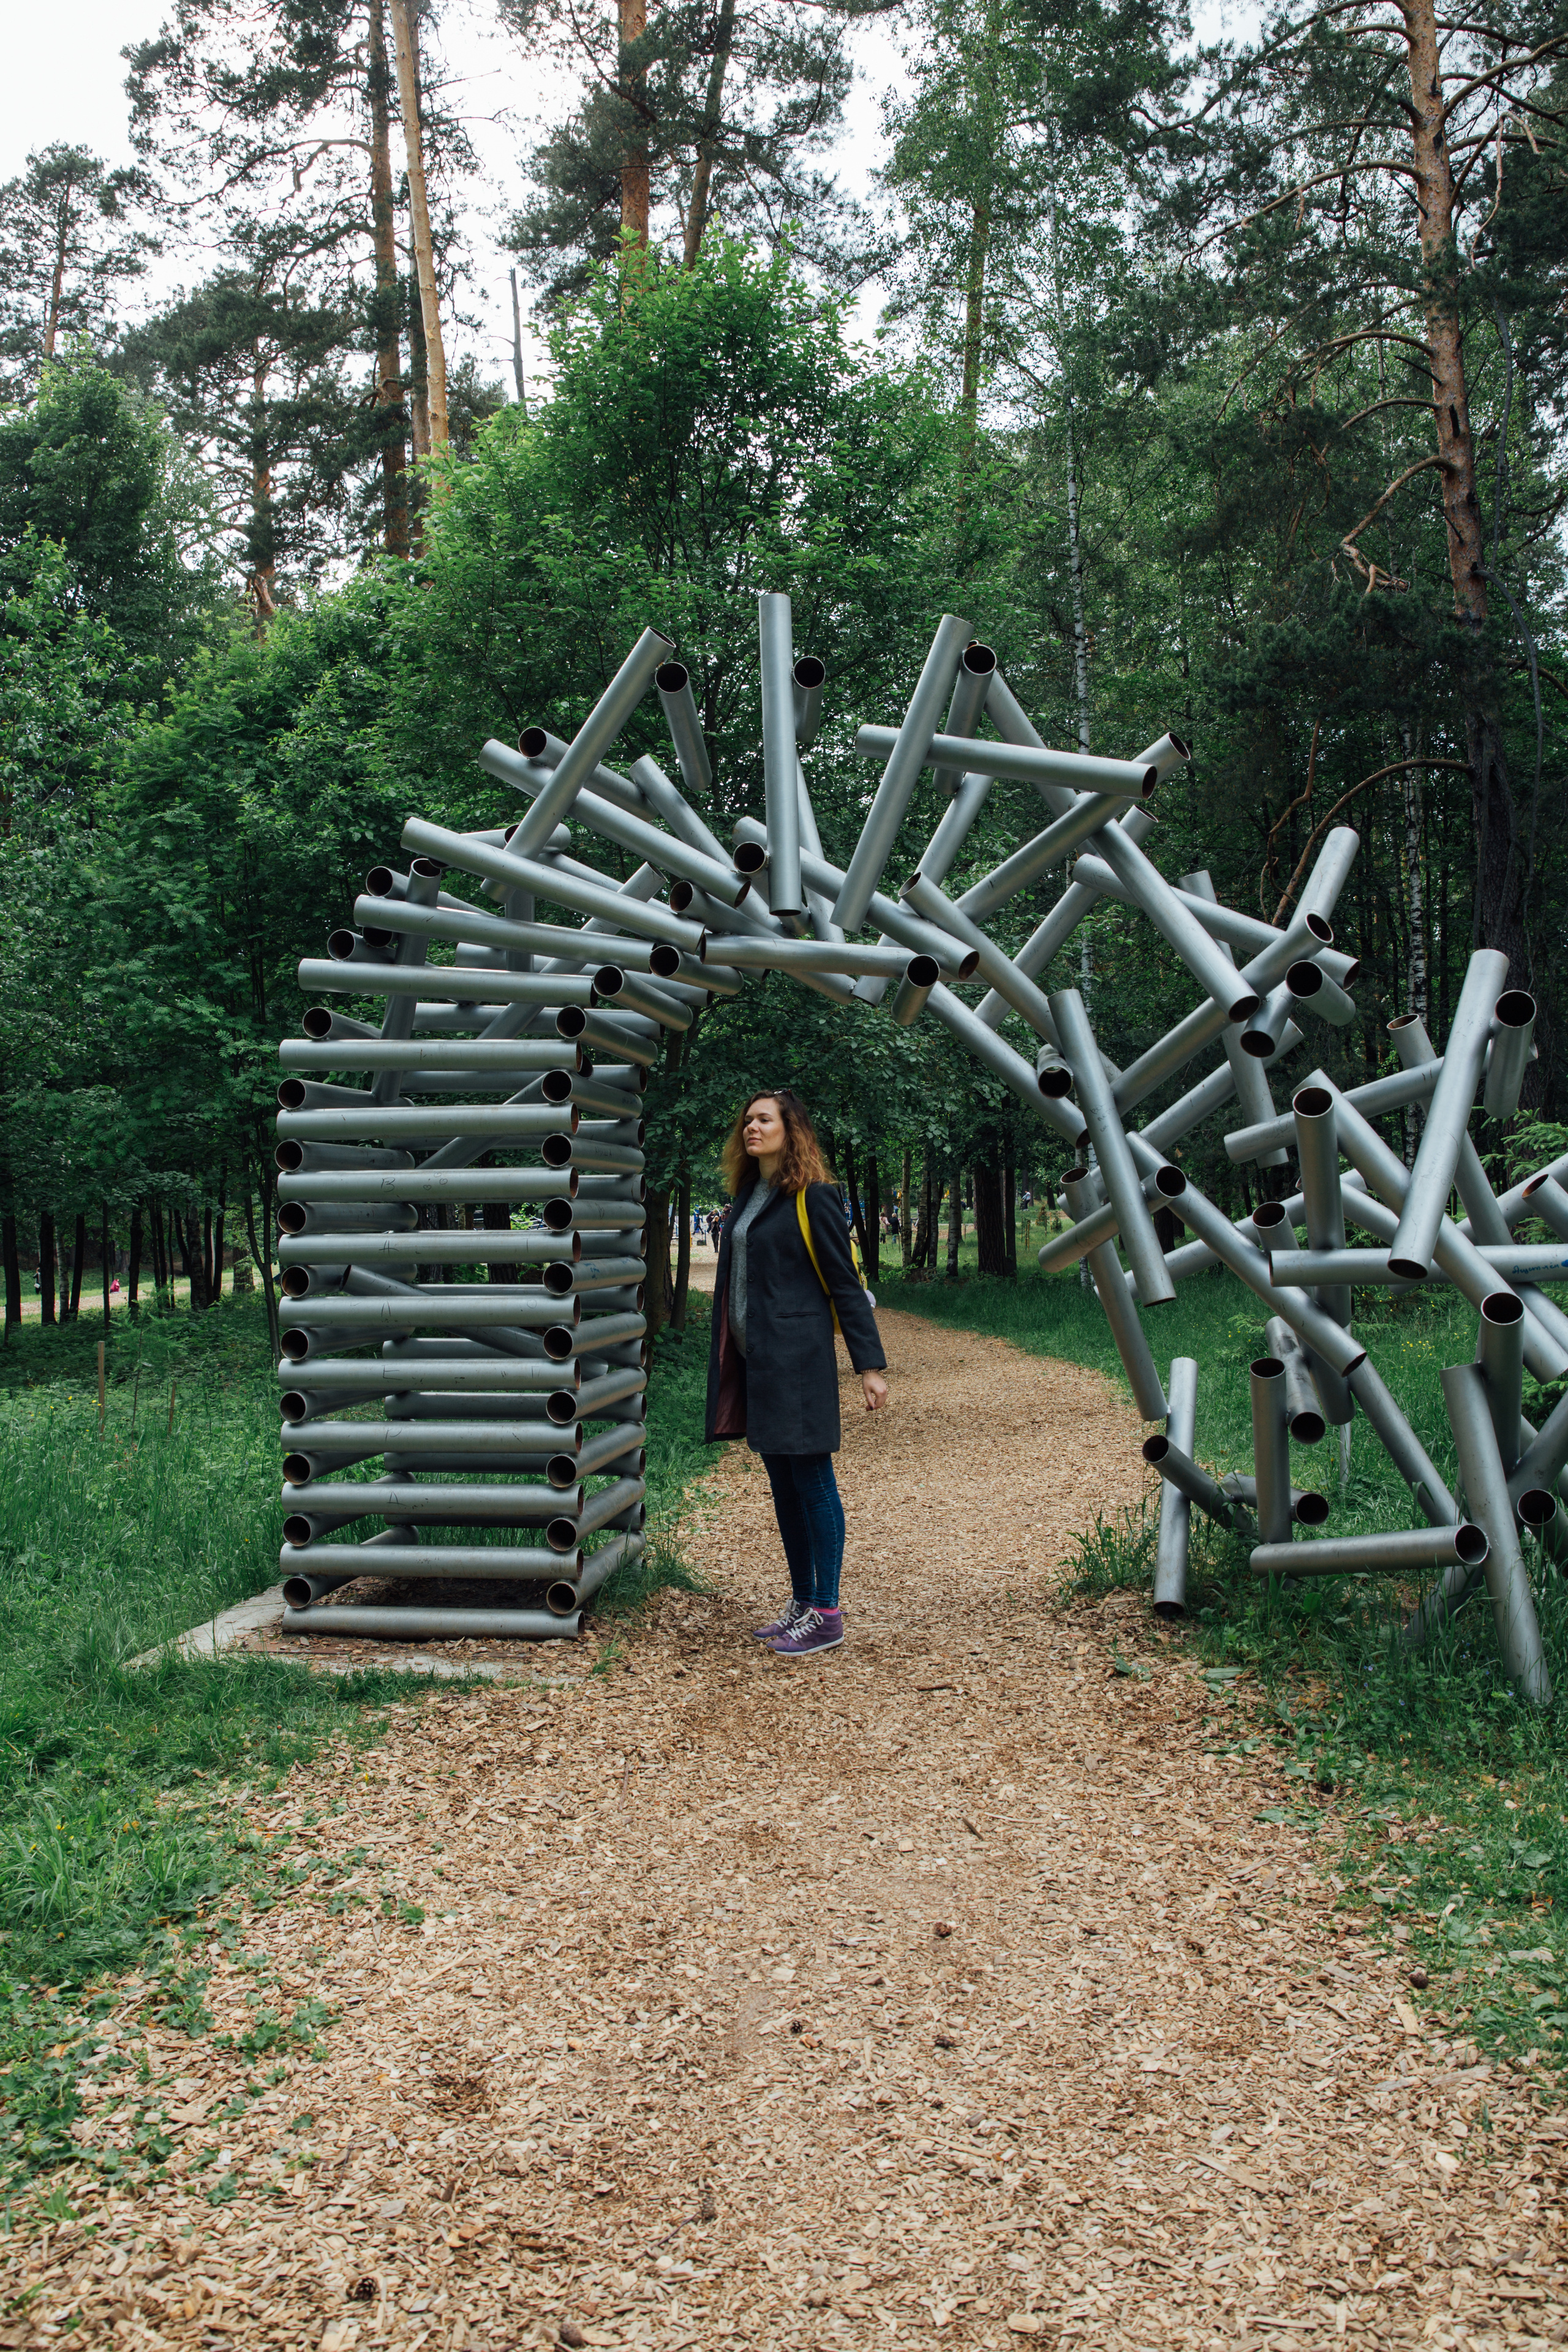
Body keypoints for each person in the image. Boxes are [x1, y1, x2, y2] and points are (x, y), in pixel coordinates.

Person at [705, 1090, 889, 1657]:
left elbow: (844, 1284)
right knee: (784, 1485)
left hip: (799, 1362)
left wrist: (869, 1366)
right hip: (759, 1362)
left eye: (764, 1119)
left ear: (791, 1130)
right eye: (748, 1119)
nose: (752, 1127)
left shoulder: (815, 1197)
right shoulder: (747, 1197)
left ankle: (828, 1613)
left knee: (812, 1480)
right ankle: (804, 1601)